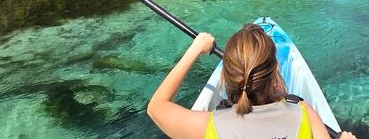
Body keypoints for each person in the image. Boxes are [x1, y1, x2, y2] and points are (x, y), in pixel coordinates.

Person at [147, 26, 356, 139]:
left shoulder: (204, 127)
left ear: (225, 76)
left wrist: (195, 49)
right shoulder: (304, 113)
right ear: (275, 70)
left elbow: (156, 107)